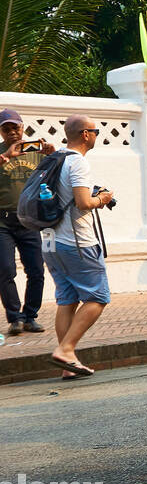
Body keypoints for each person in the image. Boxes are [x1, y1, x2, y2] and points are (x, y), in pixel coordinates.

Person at [43, 115, 112, 378]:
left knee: (67, 299)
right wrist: (103, 198)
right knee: (98, 296)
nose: (96, 135)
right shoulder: (78, 162)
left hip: (50, 242)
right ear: (85, 134)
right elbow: (83, 202)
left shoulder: (55, 159)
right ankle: (66, 349)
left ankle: (67, 364)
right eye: (95, 130)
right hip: (77, 243)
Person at [0, 108, 52, 335]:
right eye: (6, 129)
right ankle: (15, 318)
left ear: (23, 127)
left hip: (29, 221)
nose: (12, 132)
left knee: (36, 271)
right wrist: (6, 157)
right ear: (1, 132)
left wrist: (51, 153)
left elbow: (57, 172)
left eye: (16, 127)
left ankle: (30, 316)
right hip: (2, 222)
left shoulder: (37, 152)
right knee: (5, 270)